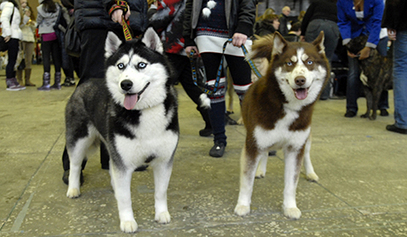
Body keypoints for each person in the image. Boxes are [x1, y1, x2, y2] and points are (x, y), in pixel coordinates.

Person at [61, 0, 148, 184]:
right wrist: (113, 4)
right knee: (90, 88)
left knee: (120, 88)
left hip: (122, 19)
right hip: (100, 20)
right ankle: (73, 164)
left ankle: (111, 157)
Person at [183, 0, 256, 158]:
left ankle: (258, 139)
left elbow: (248, 3)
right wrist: (188, 38)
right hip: (205, 35)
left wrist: (244, 27)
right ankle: (219, 140)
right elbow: (189, 7)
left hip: (237, 34)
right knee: (214, 89)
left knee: (245, 89)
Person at [149, 0, 212, 137]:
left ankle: (158, 127)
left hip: (173, 46)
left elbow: (160, 19)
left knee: (162, 88)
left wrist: (151, 14)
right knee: (193, 86)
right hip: (190, 47)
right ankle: (212, 120)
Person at [337, 0, 389, 117]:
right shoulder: (342, 2)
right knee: (353, 73)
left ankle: (383, 106)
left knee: (381, 73)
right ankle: (351, 107)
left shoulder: (377, 1)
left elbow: (377, 22)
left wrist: (369, 46)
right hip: (355, 39)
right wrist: (347, 44)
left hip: (378, 36)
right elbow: (343, 22)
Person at [301, 0, 339, 100]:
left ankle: (308, 93)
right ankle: (324, 94)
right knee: (327, 59)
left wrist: (303, 33)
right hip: (333, 27)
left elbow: (307, 17)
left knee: (309, 59)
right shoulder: (337, 3)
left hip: (315, 24)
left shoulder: (317, 1)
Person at [382, 0, 407, 134]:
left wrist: (390, 25)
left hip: (404, 26)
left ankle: (403, 122)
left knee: (401, 69)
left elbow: (395, 3)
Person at [36, 0, 67, 91]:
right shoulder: (56, 7)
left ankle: (46, 83)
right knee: (56, 57)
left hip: (45, 34)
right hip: (55, 33)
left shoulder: (40, 8)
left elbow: (38, 21)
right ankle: (57, 83)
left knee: (46, 57)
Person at [1, 0, 25, 91]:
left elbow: (18, 24)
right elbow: (4, 18)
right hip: (11, 36)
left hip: (15, 35)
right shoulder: (9, 5)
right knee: (11, 60)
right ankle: (10, 81)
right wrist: (8, 33)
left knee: (14, 60)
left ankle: (13, 80)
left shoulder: (14, 7)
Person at [16, 0, 36, 87]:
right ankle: (19, 80)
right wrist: (25, 18)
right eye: (22, 2)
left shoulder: (29, 11)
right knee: (20, 58)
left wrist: (32, 22)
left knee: (29, 59)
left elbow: (35, 26)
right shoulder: (17, 13)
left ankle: (27, 80)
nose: (24, 4)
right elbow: (19, 25)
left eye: (25, 3)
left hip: (30, 38)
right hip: (21, 37)